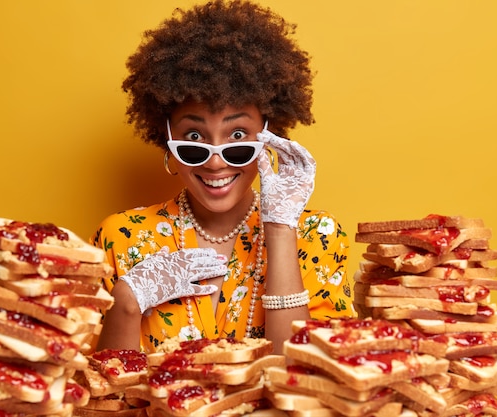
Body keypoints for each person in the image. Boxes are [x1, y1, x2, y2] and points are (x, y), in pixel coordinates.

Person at [91, 0, 353, 354]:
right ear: (167, 138)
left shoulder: (317, 236)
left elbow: (302, 379)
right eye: (195, 139)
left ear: (269, 135)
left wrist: (279, 229)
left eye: (238, 137)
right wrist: (126, 300)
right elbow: (105, 393)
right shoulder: (121, 237)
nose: (216, 162)